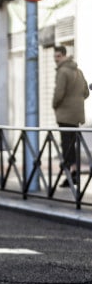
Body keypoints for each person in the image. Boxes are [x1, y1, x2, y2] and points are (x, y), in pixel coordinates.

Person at [52, 46, 89, 187]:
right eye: (55, 57)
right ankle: (74, 174)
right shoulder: (78, 71)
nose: (56, 59)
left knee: (67, 146)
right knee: (72, 145)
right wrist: (76, 101)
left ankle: (70, 175)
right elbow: (86, 92)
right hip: (77, 115)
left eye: (58, 56)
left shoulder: (62, 71)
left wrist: (55, 105)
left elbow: (58, 94)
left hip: (65, 115)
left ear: (64, 56)